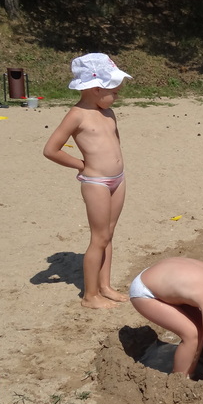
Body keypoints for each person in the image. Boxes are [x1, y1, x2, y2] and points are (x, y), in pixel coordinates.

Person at [43, 53, 132, 309]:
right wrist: (82, 165)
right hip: (96, 182)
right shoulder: (77, 115)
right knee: (99, 237)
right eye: (114, 92)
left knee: (109, 234)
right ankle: (90, 296)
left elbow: (114, 143)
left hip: (118, 179)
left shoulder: (109, 112)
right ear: (95, 88)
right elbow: (51, 150)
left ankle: (105, 286)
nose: (116, 97)